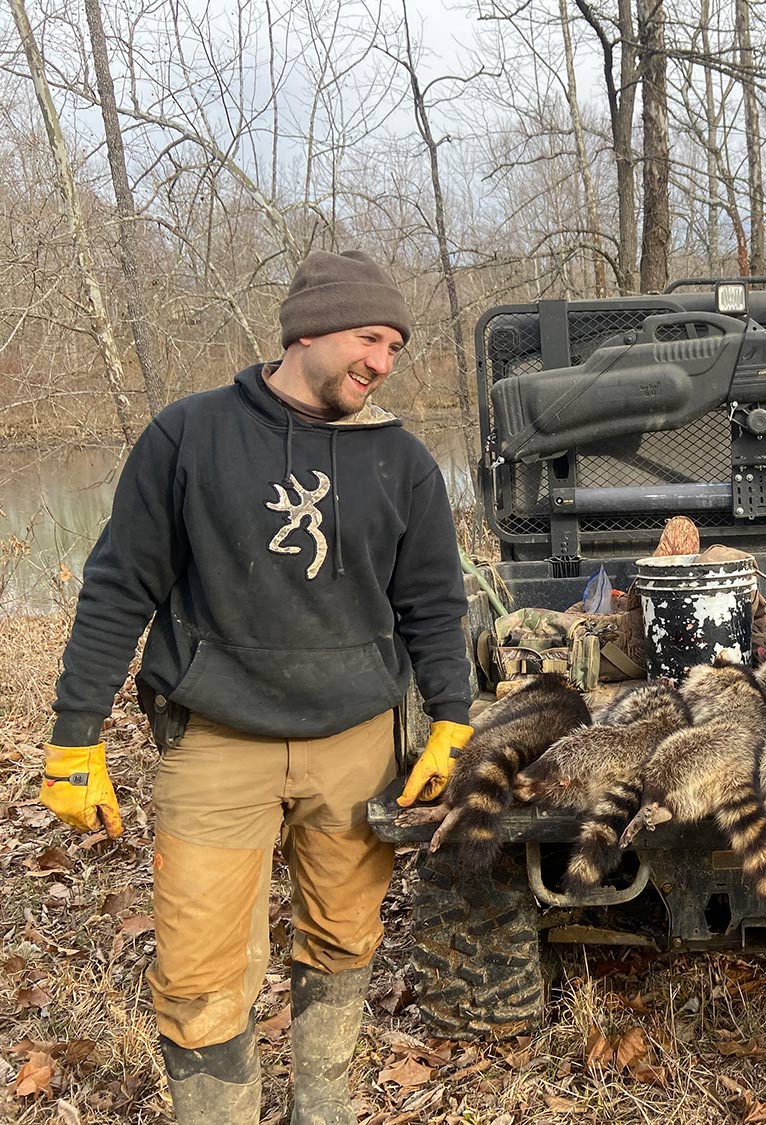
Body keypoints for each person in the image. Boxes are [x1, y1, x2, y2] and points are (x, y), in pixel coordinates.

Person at [39, 250, 477, 1124]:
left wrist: (453, 720)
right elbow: (121, 582)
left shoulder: (402, 460)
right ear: (306, 330)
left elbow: (433, 602)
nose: (383, 362)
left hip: (356, 741)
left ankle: (323, 1106)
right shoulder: (190, 434)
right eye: (369, 338)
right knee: (198, 969)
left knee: (346, 937)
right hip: (215, 739)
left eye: (394, 345)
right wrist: (73, 734)